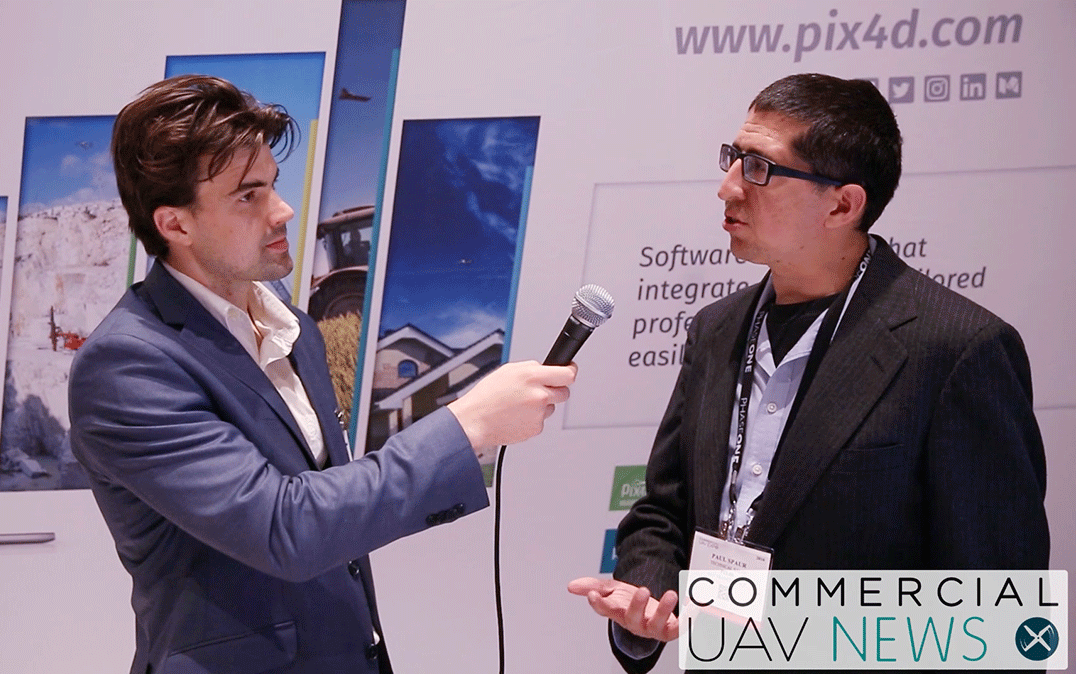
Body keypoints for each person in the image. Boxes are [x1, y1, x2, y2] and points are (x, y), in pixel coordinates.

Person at [69, 74, 576, 674]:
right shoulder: (127, 365)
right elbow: (284, 526)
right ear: (175, 225)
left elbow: (332, 522)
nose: (282, 210)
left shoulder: (293, 328)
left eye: (273, 185)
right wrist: (468, 426)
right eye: (248, 196)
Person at [569, 73, 1049, 672]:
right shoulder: (716, 330)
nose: (727, 187)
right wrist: (648, 603)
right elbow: (665, 511)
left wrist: (800, 636)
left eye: (759, 168)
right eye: (732, 158)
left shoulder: (956, 349)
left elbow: (1000, 612)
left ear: (843, 205)